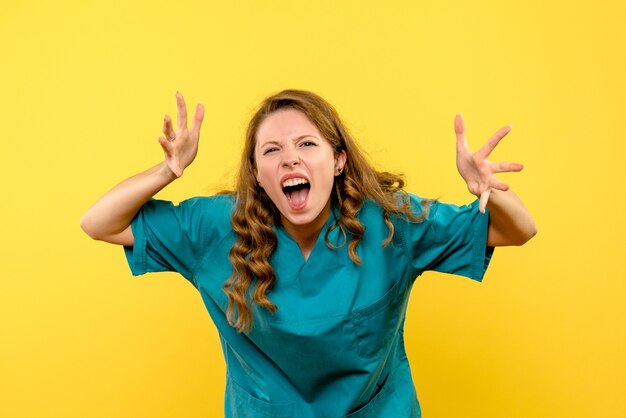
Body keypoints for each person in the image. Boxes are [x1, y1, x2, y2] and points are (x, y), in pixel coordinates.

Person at [80, 90, 537, 417]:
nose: (290, 160)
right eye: (272, 150)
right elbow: (98, 223)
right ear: (258, 174)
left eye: (306, 145)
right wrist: (167, 169)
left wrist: (487, 190)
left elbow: (519, 230)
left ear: (338, 161)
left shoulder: (391, 223)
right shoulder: (215, 228)